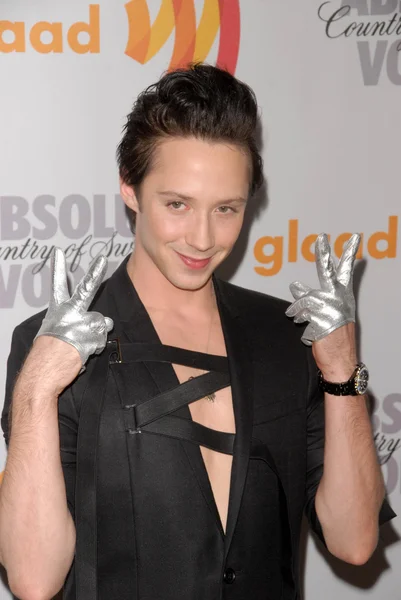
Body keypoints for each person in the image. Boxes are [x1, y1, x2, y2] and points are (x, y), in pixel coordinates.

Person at [0, 63, 395, 600]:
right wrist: (34, 390)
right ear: (130, 190)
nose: (203, 238)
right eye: (177, 205)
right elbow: (33, 580)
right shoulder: (52, 347)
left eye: (226, 209)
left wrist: (341, 372)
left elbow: (353, 541)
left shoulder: (288, 337)